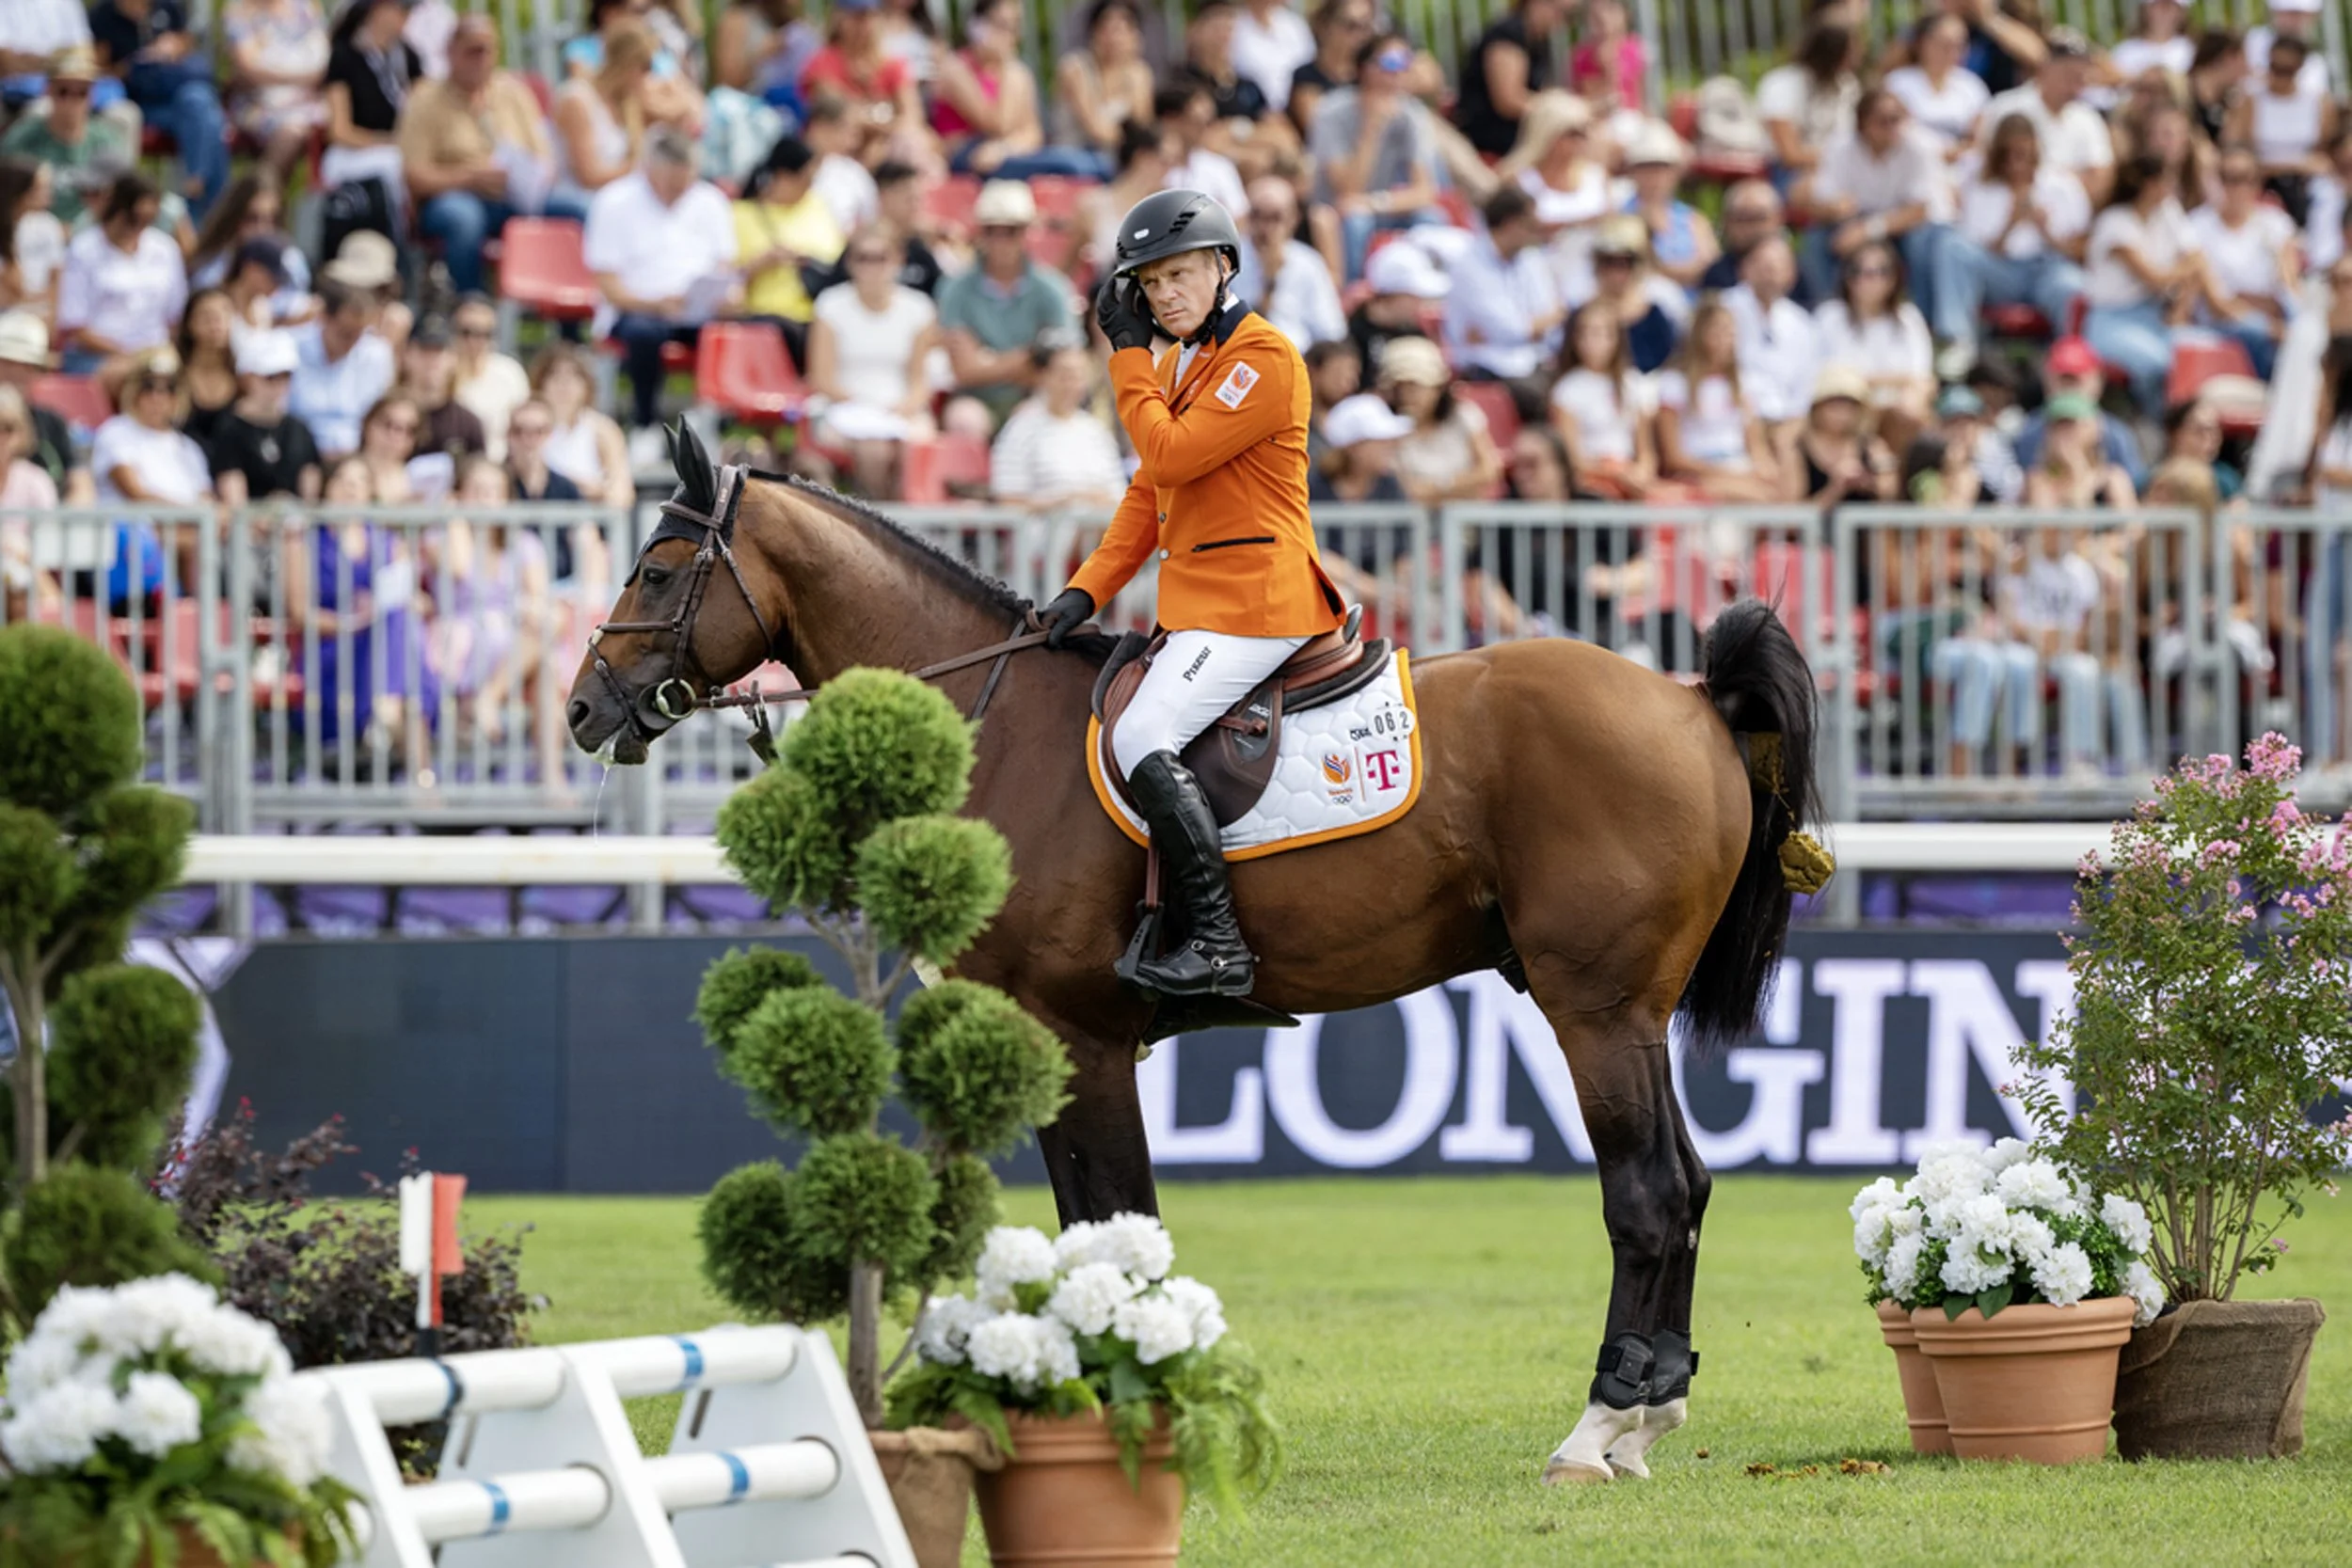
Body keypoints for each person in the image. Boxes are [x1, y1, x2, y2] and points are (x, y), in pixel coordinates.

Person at [1036, 189, 1347, 997]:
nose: (1166, 295)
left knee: (1140, 734)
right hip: (1205, 603)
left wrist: (1126, 360)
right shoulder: (1183, 362)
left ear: (1224, 267)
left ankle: (1218, 942)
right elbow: (1148, 493)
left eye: (1181, 275)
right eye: (1151, 283)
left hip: (1260, 599)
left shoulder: (1264, 359)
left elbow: (1168, 455)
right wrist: (1085, 590)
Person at [584, 127, 739, 443]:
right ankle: (645, 424)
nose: (679, 192)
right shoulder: (614, 201)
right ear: (650, 170)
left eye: (685, 183)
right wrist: (656, 304)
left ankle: (711, 422)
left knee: (735, 330)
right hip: (635, 310)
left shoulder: (710, 201)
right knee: (644, 333)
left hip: (698, 311)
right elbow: (609, 286)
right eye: (671, 184)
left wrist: (725, 296)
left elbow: (725, 268)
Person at [1801, 87, 1971, 352]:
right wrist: (1834, 210)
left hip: (1910, 226)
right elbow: (1820, 204)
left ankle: (1925, 326)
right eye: (1883, 120)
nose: (1892, 127)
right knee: (1818, 240)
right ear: (1862, 124)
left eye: (1897, 118)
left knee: (1928, 244)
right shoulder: (1840, 147)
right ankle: (1828, 319)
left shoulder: (1920, 146)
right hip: (1861, 220)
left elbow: (1919, 210)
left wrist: (1868, 230)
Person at [405, 17, 560, 296]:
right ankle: (472, 311)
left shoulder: (513, 91)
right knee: (463, 219)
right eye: (472, 51)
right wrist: (471, 177)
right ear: (451, 52)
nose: (482, 59)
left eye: (488, 50)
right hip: (455, 196)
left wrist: (527, 176)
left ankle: (572, 323)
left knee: (577, 209)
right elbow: (415, 175)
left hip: (518, 197)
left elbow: (545, 157)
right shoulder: (425, 99)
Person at [931, 182, 1076, 432]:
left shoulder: (1052, 288)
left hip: (1033, 396)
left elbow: (1063, 362)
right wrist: (1030, 357)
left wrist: (988, 361)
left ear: (1026, 233)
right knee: (965, 421)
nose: (1000, 240)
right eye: (991, 230)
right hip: (975, 399)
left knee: (1035, 417)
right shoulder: (954, 288)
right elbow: (964, 370)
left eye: (1010, 231)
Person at [806, 226, 940, 496]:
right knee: (873, 451)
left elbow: (919, 379)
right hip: (843, 407)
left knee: (914, 449)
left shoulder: (919, 307)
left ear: (898, 260)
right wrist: (862, 405)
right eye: (863, 258)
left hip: (900, 409)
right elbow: (822, 377)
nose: (872, 266)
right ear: (850, 263)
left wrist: (905, 406)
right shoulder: (830, 305)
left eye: (881, 257)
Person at [1947, 111, 2091, 354]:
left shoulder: (2062, 185)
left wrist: (2046, 232)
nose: (2017, 163)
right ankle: (1957, 342)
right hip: (2001, 272)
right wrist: (2010, 223)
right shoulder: (1983, 187)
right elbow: (1978, 254)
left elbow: (2081, 252)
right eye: (2009, 156)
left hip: (2047, 270)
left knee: (2071, 283)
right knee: (1952, 247)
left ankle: (2068, 361)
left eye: (2024, 154)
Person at [1310, 30, 1443, 279]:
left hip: (1382, 207)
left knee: (1431, 219)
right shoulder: (1330, 112)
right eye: (1390, 62)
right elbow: (1347, 190)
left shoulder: (1412, 114)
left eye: (1405, 63)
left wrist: (1375, 203)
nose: (1398, 73)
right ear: (1364, 68)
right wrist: (1372, 130)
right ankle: (1355, 299)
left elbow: (1425, 191)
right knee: (1356, 221)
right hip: (1335, 214)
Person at [2084, 152, 2202, 417]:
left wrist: (2181, 309)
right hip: (2111, 322)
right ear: (2149, 185)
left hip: (2154, 319)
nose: (2173, 188)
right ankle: (2158, 433)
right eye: (2167, 181)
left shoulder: (2168, 212)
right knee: (2158, 366)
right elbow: (2155, 278)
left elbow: (2197, 258)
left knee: (2204, 351)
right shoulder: (2114, 222)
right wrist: (2185, 270)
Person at [87, 0, 229, 216]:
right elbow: (97, 70)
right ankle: (210, 208)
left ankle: (197, 186)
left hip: (178, 98)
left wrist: (173, 47)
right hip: (137, 103)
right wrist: (137, 62)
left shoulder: (168, 7)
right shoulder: (103, 16)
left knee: (199, 103)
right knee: (209, 118)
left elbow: (188, 43)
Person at [93, 346, 213, 599]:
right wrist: (194, 514)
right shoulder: (115, 432)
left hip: (179, 533)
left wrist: (209, 516)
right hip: (128, 542)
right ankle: (194, 616)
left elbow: (207, 499)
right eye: (148, 386)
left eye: (168, 388)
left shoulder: (188, 448)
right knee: (195, 542)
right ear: (134, 391)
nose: (158, 396)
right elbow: (136, 493)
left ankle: (211, 618)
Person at [1443, 185, 1563, 422]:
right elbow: (1513, 329)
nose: (1536, 232)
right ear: (1510, 223)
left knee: (1576, 392)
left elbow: (1550, 320)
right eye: (1531, 225)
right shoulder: (1469, 266)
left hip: (1534, 362)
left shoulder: (1530, 258)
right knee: (1547, 403)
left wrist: (1536, 325)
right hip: (1485, 367)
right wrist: (1537, 324)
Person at [932, 0, 1089, 179]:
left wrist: (1005, 148)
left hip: (1003, 153)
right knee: (1068, 167)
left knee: (1081, 165)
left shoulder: (1018, 72)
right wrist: (1006, 64)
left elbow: (1033, 132)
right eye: (1003, 26)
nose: (1012, 36)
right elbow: (997, 124)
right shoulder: (956, 68)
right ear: (978, 27)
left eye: (1015, 27)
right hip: (966, 156)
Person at [729, 135, 845, 368]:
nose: (810, 187)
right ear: (783, 176)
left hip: (818, 312)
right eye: (806, 180)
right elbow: (722, 279)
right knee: (787, 333)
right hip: (764, 314)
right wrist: (761, 263)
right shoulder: (740, 215)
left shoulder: (818, 206)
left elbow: (838, 259)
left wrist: (807, 258)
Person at [56, 172, 187, 376]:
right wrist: (128, 355)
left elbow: (174, 316)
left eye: (147, 220)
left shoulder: (166, 249)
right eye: (132, 218)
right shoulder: (83, 249)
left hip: (155, 353)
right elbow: (74, 325)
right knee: (137, 378)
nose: (136, 226)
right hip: (95, 356)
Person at [1656, 295, 1780, 501]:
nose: (1726, 339)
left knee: (1776, 491)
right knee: (1750, 496)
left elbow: (1756, 446)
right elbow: (1673, 456)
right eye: (1717, 331)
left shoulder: (1744, 384)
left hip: (1738, 468)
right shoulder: (1674, 384)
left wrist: (1765, 469)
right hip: (1698, 472)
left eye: (1730, 332)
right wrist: (1724, 472)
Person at [2193, 143, 2300, 381]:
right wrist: (2271, 326)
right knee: (2263, 336)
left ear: (2257, 182)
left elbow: (2289, 285)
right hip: (2225, 320)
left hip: (2272, 314)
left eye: (2245, 179)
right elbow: (2217, 303)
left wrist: (2289, 321)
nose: (2237, 187)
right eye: (2229, 178)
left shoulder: (2276, 223)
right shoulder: (2197, 226)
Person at [1814, 241, 1934, 449]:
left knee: (1911, 410)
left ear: (1894, 278)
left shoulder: (1909, 318)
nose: (1868, 279)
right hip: (1848, 409)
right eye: (1858, 271)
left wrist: (1867, 380)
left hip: (1899, 412)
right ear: (1847, 276)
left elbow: (1923, 379)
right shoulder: (1829, 316)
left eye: (1880, 271)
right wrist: (1895, 380)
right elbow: (1827, 379)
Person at [1976, 28, 2116, 206]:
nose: (2076, 85)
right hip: (2009, 212)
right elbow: (1987, 166)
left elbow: (2101, 178)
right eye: (2069, 74)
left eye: (2081, 77)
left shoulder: (2087, 118)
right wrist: (2068, 177)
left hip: (2069, 218)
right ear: (2045, 68)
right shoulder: (2006, 106)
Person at [989, 335, 1126, 513]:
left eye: (1079, 376)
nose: (1073, 384)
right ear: (1044, 376)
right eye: (1065, 375)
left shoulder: (1095, 431)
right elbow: (1007, 500)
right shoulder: (1021, 428)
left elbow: (1118, 495)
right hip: (1045, 536)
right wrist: (1063, 503)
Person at [0, 49, 132, 230]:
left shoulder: (107, 140)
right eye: (63, 91)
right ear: (48, 90)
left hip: (93, 238)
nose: (72, 100)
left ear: (92, 95)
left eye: (82, 92)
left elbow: (124, 196)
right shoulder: (23, 138)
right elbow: (7, 196)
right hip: (34, 236)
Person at [319, 0, 419, 218]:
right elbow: (339, 131)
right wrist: (387, 142)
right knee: (391, 168)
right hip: (354, 154)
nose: (406, 16)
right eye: (401, 9)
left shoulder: (408, 56)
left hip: (403, 150)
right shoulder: (344, 55)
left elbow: (424, 106)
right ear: (377, 9)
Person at [1379, 333, 1503, 501]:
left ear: (1437, 387)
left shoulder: (1464, 415)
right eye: (1399, 387)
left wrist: (1439, 488)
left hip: (1463, 520)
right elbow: (1402, 489)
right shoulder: (1383, 427)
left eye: (1415, 386)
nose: (1406, 395)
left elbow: (1488, 470)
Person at [205, 328, 321, 508]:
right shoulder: (228, 429)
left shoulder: (299, 429)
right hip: (248, 532)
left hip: (294, 530)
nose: (279, 385)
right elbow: (233, 497)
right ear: (246, 378)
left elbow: (310, 494)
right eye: (270, 377)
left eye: (286, 376)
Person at [798, 0, 926, 164]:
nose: (863, 25)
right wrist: (887, 123)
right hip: (839, 151)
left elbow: (912, 115)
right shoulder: (821, 63)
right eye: (855, 17)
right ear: (839, 18)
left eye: (868, 16)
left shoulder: (892, 64)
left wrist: (885, 131)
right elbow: (839, 112)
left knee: (912, 143)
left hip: (886, 146)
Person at [1549, 302, 1655, 498]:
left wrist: (1642, 472)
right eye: (1584, 333)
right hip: (1595, 477)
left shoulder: (1633, 383)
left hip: (1629, 473)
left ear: (1615, 338)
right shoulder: (1567, 390)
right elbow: (1574, 460)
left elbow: (1646, 450)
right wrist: (1618, 474)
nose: (1591, 341)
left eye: (1599, 333)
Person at [2230, 31, 2335, 226]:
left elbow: (2326, 154)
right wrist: (2290, 165)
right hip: (2260, 181)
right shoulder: (2250, 101)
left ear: (2300, 68)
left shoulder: (2318, 101)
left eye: (2287, 70)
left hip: (2306, 185)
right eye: (2275, 68)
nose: (2279, 77)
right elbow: (2233, 151)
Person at [553, 20, 655, 217]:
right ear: (628, 63)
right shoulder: (577, 99)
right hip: (577, 199)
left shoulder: (627, 104)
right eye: (646, 66)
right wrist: (640, 170)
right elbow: (588, 176)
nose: (649, 76)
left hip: (614, 196)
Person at [1232, 176, 1345, 352]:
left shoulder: (1308, 262)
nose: (1265, 227)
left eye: (1275, 218)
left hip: (1301, 361)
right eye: (1257, 216)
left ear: (1293, 219)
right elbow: (1238, 329)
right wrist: (1270, 282)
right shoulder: (1229, 261)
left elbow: (1331, 331)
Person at [289, 277, 396, 462]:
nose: (353, 343)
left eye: (360, 334)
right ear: (323, 318)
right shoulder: (289, 347)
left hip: (356, 459)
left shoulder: (377, 354)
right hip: (297, 454)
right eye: (345, 333)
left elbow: (377, 419)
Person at [1724, 234, 1819, 437]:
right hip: (1735, 417)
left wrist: (1793, 420)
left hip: (1788, 420)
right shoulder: (1724, 310)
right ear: (1745, 269)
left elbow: (1806, 382)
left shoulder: (1801, 322)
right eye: (1764, 265)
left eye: (1778, 266)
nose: (1770, 273)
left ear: (1791, 274)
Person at [1452, 0, 1569, 160]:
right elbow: (1508, 101)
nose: (1561, 22)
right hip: (1491, 131)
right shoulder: (1508, 35)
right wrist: (1557, 112)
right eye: (1560, 12)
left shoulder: (1537, 40)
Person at [222, 0, 329, 174]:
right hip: (259, 106)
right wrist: (303, 78)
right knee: (291, 132)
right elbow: (249, 70)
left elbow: (326, 63)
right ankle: (262, 195)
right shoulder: (239, 11)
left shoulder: (306, 7)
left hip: (312, 103)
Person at [0, 312, 94, 504]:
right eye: (8, 363)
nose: (16, 373)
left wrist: (59, 527)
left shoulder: (52, 421)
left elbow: (81, 484)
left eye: (26, 366)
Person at [1757, 21, 1862, 184]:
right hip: (1791, 175)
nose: (1857, 58)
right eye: (1850, 52)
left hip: (1843, 169)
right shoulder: (1781, 84)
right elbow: (1790, 155)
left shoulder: (1848, 85)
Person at [531, 343, 633, 507]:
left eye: (573, 376)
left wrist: (593, 491)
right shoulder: (527, 426)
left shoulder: (603, 430)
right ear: (540, 383)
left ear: (586, 385)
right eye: (554, 376)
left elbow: (621, 494)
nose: (564, 384)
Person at [1053, 0, 1154, 163]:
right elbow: (1095, 130)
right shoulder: (1075, 69)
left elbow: (1142, 124)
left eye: (1122, 30)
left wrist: (1132, 76)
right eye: (1107, 29)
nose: (1114, 38)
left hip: (1121, 158)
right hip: (1078, 158)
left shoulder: (1139, 72)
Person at [1621, 122, 1717, 291]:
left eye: (1662, 169)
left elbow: (1710, 269)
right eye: (1647, 168)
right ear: (1633, 171)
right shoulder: (1620, 216)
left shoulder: (1693, 219)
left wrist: (1658, 269)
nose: (1655, 177)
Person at [1788, 365, 1898, 507]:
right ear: (1818, 407)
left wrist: (1867, 481)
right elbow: (1790, 513)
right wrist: (1835, 489)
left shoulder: (1872, 445)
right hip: (1817, 529)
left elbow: (1890, 490)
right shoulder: (1798, 449)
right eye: (1833, 405)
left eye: (1849, 406)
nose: (1841, 414)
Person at [0, 384, 64, 623]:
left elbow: (50, 541)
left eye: (8, 428)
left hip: (29, 572)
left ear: (21, 433)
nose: (1, 436)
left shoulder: (36, 480)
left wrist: (17, 551)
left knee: (20, 576)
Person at [1584, 214, 1677, 373]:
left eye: (1624, 263)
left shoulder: (1661, 303)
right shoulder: (1582, 311)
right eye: (1608, 262)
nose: (1616, 272)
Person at [1886, 13, 1990, 156]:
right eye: (1945, 44)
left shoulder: (1973, 86)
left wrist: (1958, 151)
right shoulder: (1897, 83)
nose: (1952, 52)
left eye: (1959, 45)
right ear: (1922, 43)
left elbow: (1980, 136)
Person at [445, 296, 529, 461]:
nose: (475, 341)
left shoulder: (509, 372)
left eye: (484, 334)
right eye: (466, 332)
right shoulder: (442, 371)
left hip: (502, 465)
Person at [1156, 82, 1248, 220]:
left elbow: (1240, 218)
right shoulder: (1147, 165)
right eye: (1197, 121)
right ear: (1171, 119)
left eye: (1208, 121)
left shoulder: (1219, 167)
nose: (1204, 128)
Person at [1287, 0, 1372, 139]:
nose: (1359, 35)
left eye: (1365, 27)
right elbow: (1317, 128)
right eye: (1351, 26)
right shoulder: (1306, 76)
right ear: (1325, 26)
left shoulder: (1369, 75)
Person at [1310, 390, 1414, 501]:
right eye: (1380, 441)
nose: (1391, 446)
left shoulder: (1390, 487)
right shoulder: (1312, 489)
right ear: (1354, 448)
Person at [713, 0, 819, 106]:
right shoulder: (737, 19)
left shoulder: (791, 24)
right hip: (749, 108)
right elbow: (726, 82)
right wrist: (761, 55)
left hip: (786, 106)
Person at [174, 287, 242, 449]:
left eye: (224, 314)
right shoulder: (173, 374)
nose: (216, 323)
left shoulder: (245, 376)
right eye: (206, 316)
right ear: (189, 323)